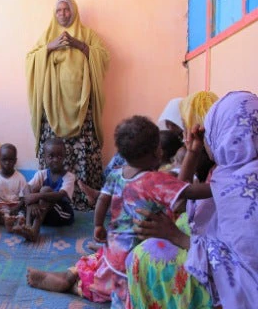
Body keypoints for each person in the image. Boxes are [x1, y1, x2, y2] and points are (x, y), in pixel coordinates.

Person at [26, 116, 211, 307]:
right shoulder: (156, 180)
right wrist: (220, 186)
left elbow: (102, 200)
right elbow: (189, 190)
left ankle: (71, 275)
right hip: (135, 251)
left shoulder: (117, 173)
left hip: (114, 244)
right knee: (118, 289)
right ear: (156, 152)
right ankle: (78, 287)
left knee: (101, 267)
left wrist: (98, 225)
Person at [126, 90, 219, 309]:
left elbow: (180, 200)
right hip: (197, 238)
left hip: (207, 253)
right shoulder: (217, 165)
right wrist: (193, 152)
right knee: (137, 242)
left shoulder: (231, 176)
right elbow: (180, 202)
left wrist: (174, 235)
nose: (185, 136)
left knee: (140, 252)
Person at [26, 0, 109, 211]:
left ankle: (83, 197)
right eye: (59, 10)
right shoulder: (47, 35)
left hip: (81, 106)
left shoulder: (88, 34)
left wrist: (79, 45)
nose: (63, 14)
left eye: (67, 9)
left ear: (74, 11)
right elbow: (30, 60)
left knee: (83, 146)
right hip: (53, 106)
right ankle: (51, 195)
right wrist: (48, 48)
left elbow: (103, 57)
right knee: (54, 148)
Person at [184, 91, 258, 308]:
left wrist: (177, 238)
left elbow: (242, 261)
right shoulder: (233, 173)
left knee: (148, 254)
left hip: (245, 284)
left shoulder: (237, 182)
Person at [14, 138, 75, 242]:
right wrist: (33, 203)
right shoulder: (41, 174)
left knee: (45, 190)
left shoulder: (69, 176)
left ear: (65, 157)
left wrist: (37, 196)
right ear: (45, 158)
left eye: (59, 156)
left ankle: (34, 231)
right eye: (51, 156)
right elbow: (26, 188)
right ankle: (28, 226)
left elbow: (60, 195)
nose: (55, 159)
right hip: (43, 215)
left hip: (61, 214)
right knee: (32, 189)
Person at [0, 143, 27, 231]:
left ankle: (18, 221)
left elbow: (23, 198)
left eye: (11, 160)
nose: (7, 163)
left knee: (23, 213)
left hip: (16, 205)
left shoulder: (20, 177)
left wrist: (17, 207)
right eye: (4, 160)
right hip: (0, 205)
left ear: (15, 161)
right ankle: (7, 221)